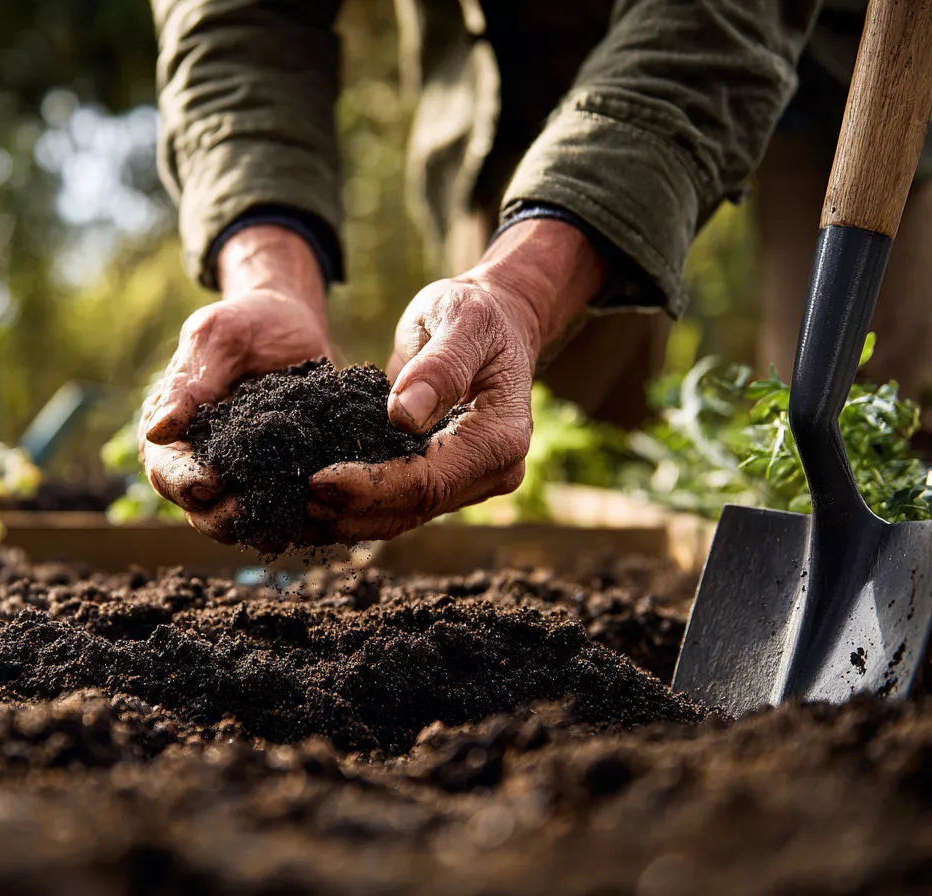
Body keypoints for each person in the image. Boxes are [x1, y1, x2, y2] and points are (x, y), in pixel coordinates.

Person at [141, 0, 932, 546]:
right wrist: (268, 272)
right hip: (525, 66)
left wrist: (521, 289)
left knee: (865, 413)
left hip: (851, 59)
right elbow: (238, 24)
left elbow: (716, 26)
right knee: (532, 414)